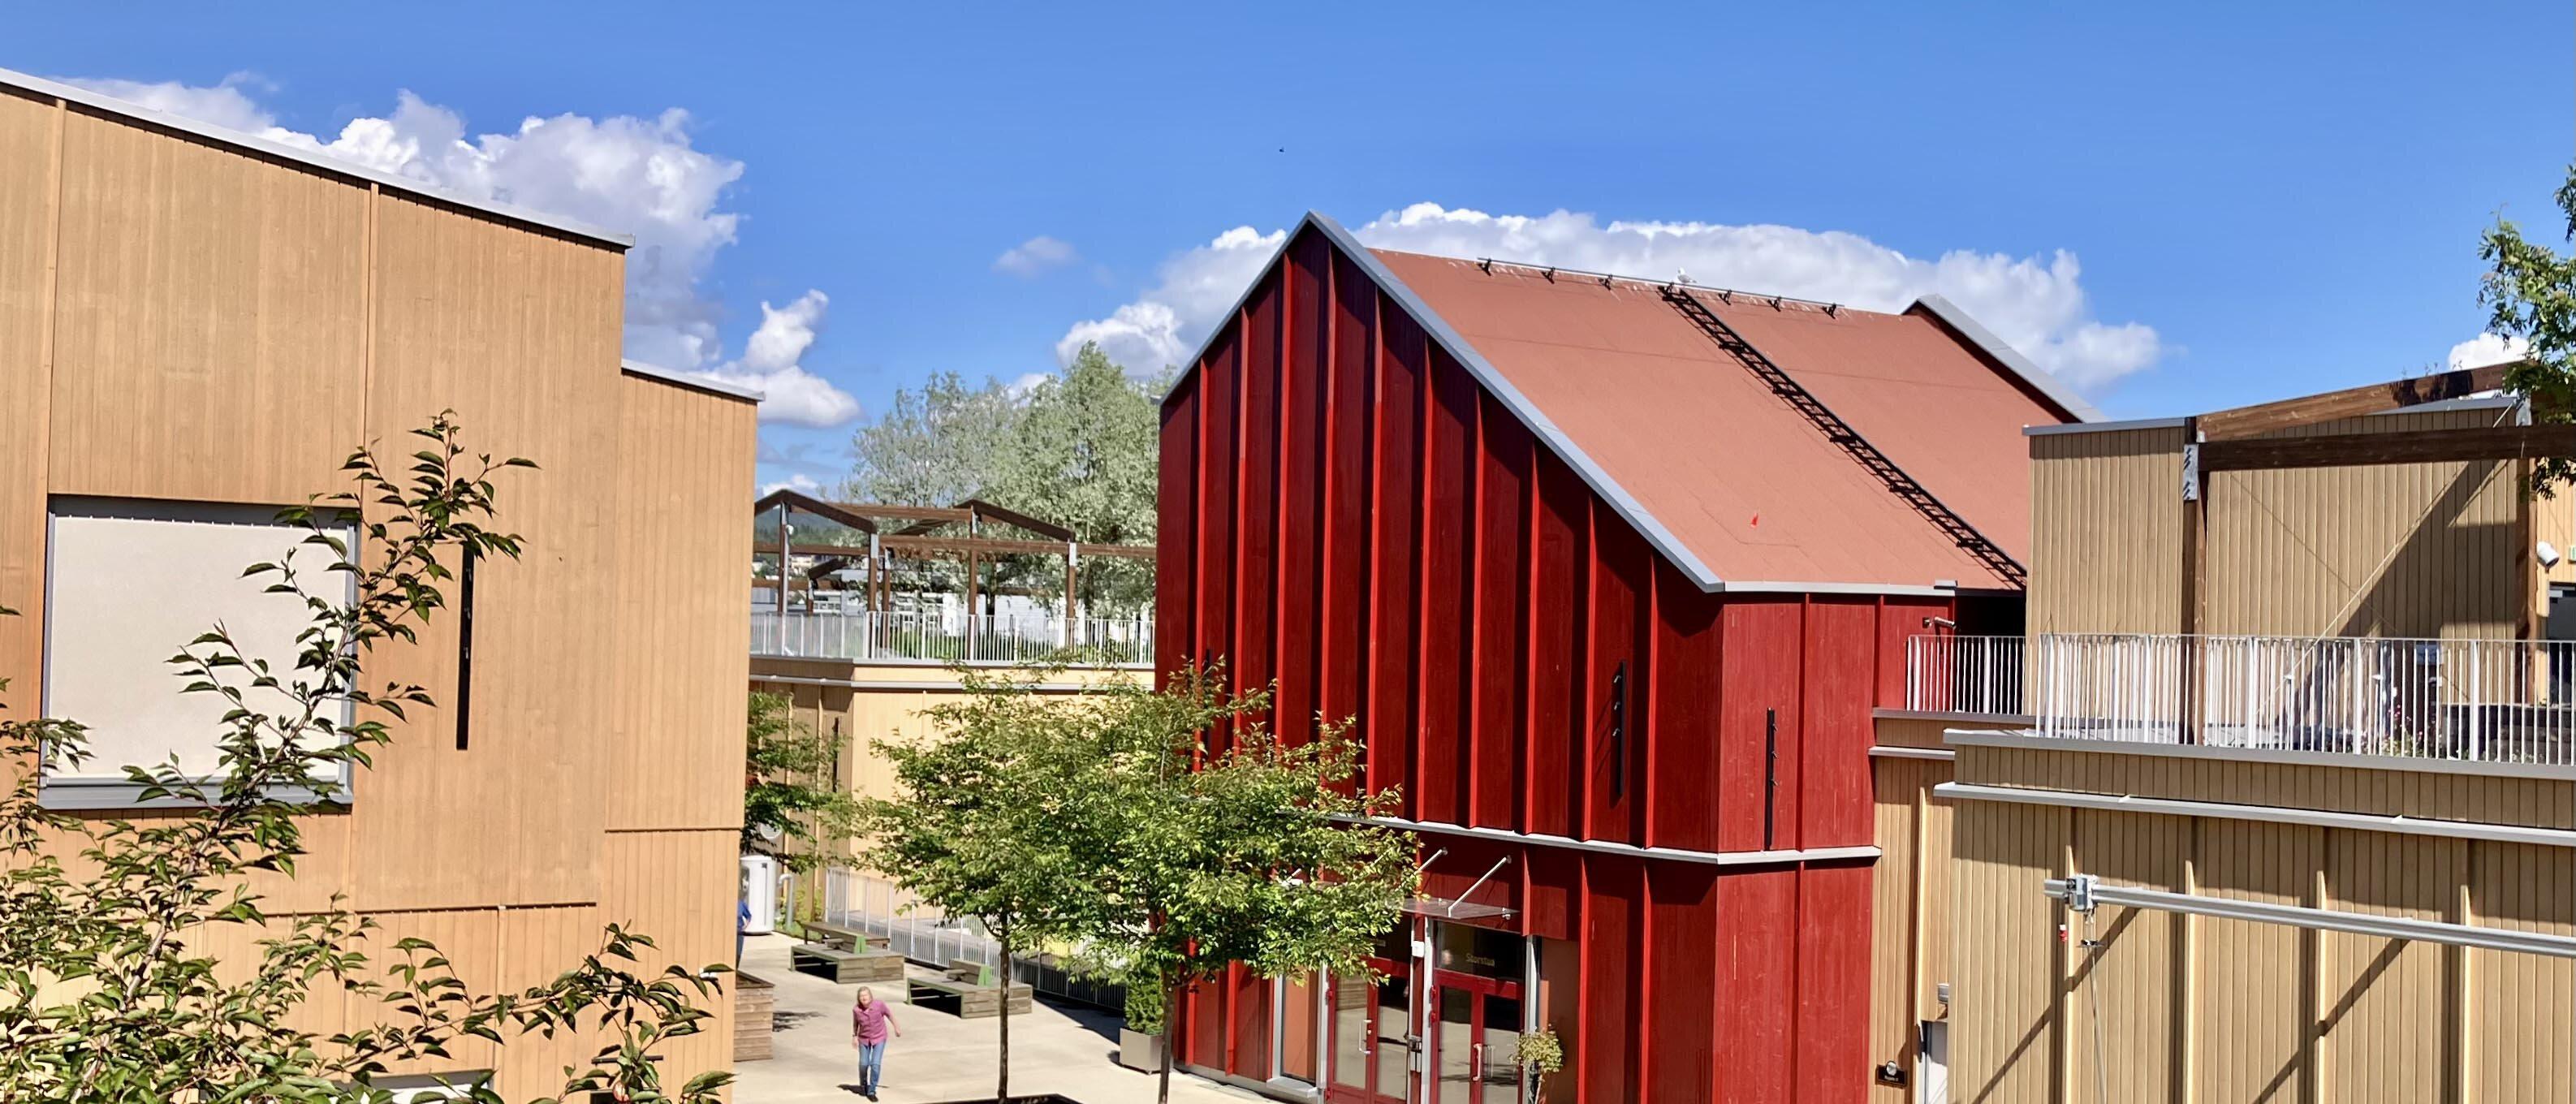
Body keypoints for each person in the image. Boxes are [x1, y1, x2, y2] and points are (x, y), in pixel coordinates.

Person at [852, 985, 900, 1100]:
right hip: (864, 1038)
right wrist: (854, 1036)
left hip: (879, 1037)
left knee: (875, 1064)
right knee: (864, 1064)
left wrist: (896, 1027)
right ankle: (863, 1085)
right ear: (858, 998)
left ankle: (872, 1091)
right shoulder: (856, 1010)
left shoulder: (879, 1005)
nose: (864, 998)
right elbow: (855, 1024)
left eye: (866, 995)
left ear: (871, 996)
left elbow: (889, 1015)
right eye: (861, 996)